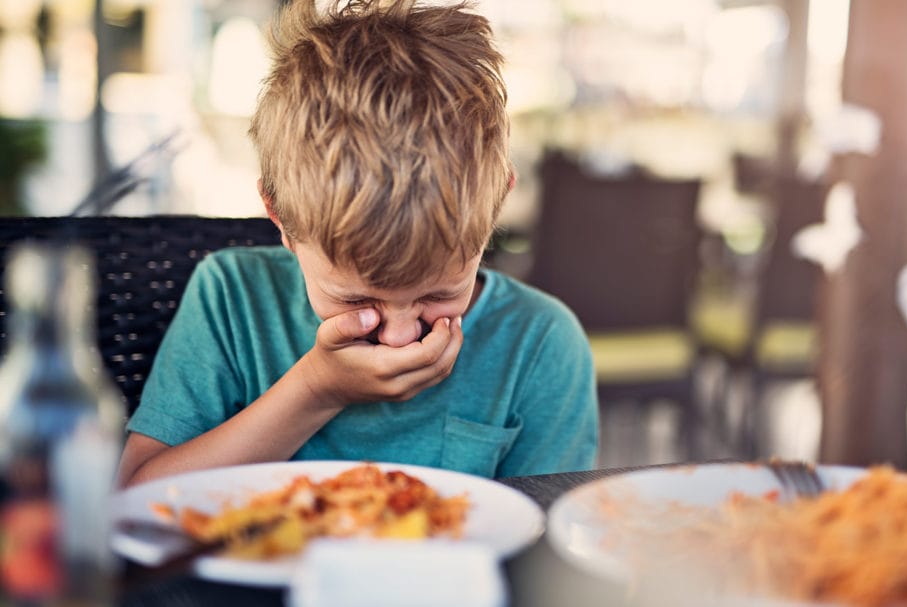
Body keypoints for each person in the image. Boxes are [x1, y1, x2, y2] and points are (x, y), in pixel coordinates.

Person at [116, 0, 598, 486]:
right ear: (279, 216)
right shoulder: (231, 298)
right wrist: (317, 389)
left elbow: (544, 547)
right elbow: (138, 496)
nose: (399, 337)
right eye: (356, 300)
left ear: (496, 205)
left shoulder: (539, 345)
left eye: (437, 294)